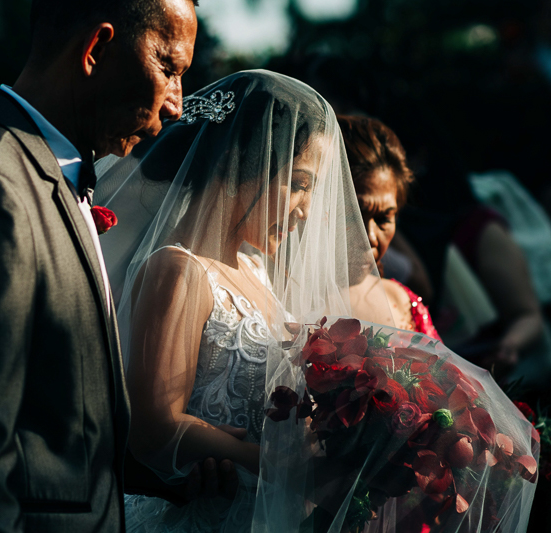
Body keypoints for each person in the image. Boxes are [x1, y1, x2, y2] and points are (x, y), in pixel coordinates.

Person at [95, 71, 537, 532]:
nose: (307, 208)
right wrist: (279, 466)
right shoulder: (178, 270)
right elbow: (152, 426)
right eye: (300, 183)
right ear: (242, 165)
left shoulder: (257, 271)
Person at [0, 1, 199, 532]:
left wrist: (172, 477)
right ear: (96, 49)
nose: (177, 106)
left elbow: (51, 427)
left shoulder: (43, 176)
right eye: (170, 69)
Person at [337, 115, 441, 340]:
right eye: (352, 216)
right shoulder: (279, 304)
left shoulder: (402, 302)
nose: (370, 237)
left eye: (384, 219)